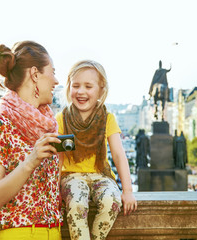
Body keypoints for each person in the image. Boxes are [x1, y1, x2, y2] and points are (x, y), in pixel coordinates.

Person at [0, 41, 63, 240]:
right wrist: (31, 160)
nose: (56, 81)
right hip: (17, 234)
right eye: (52, 72)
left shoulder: (48, 127)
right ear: (35, 74)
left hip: (54, 232)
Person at [56, 60, 137, 240]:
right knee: (77, 203)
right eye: (75, 85)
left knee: (111, 200)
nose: (81, 91)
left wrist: (128, 191)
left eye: (88, 86)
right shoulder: (62, 119)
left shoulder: (108, 118)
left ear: (101, 90)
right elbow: (59, 158)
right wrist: (53, 190)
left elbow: (118, 155)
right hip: (71, 175)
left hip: (101, 175)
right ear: (69, 88)